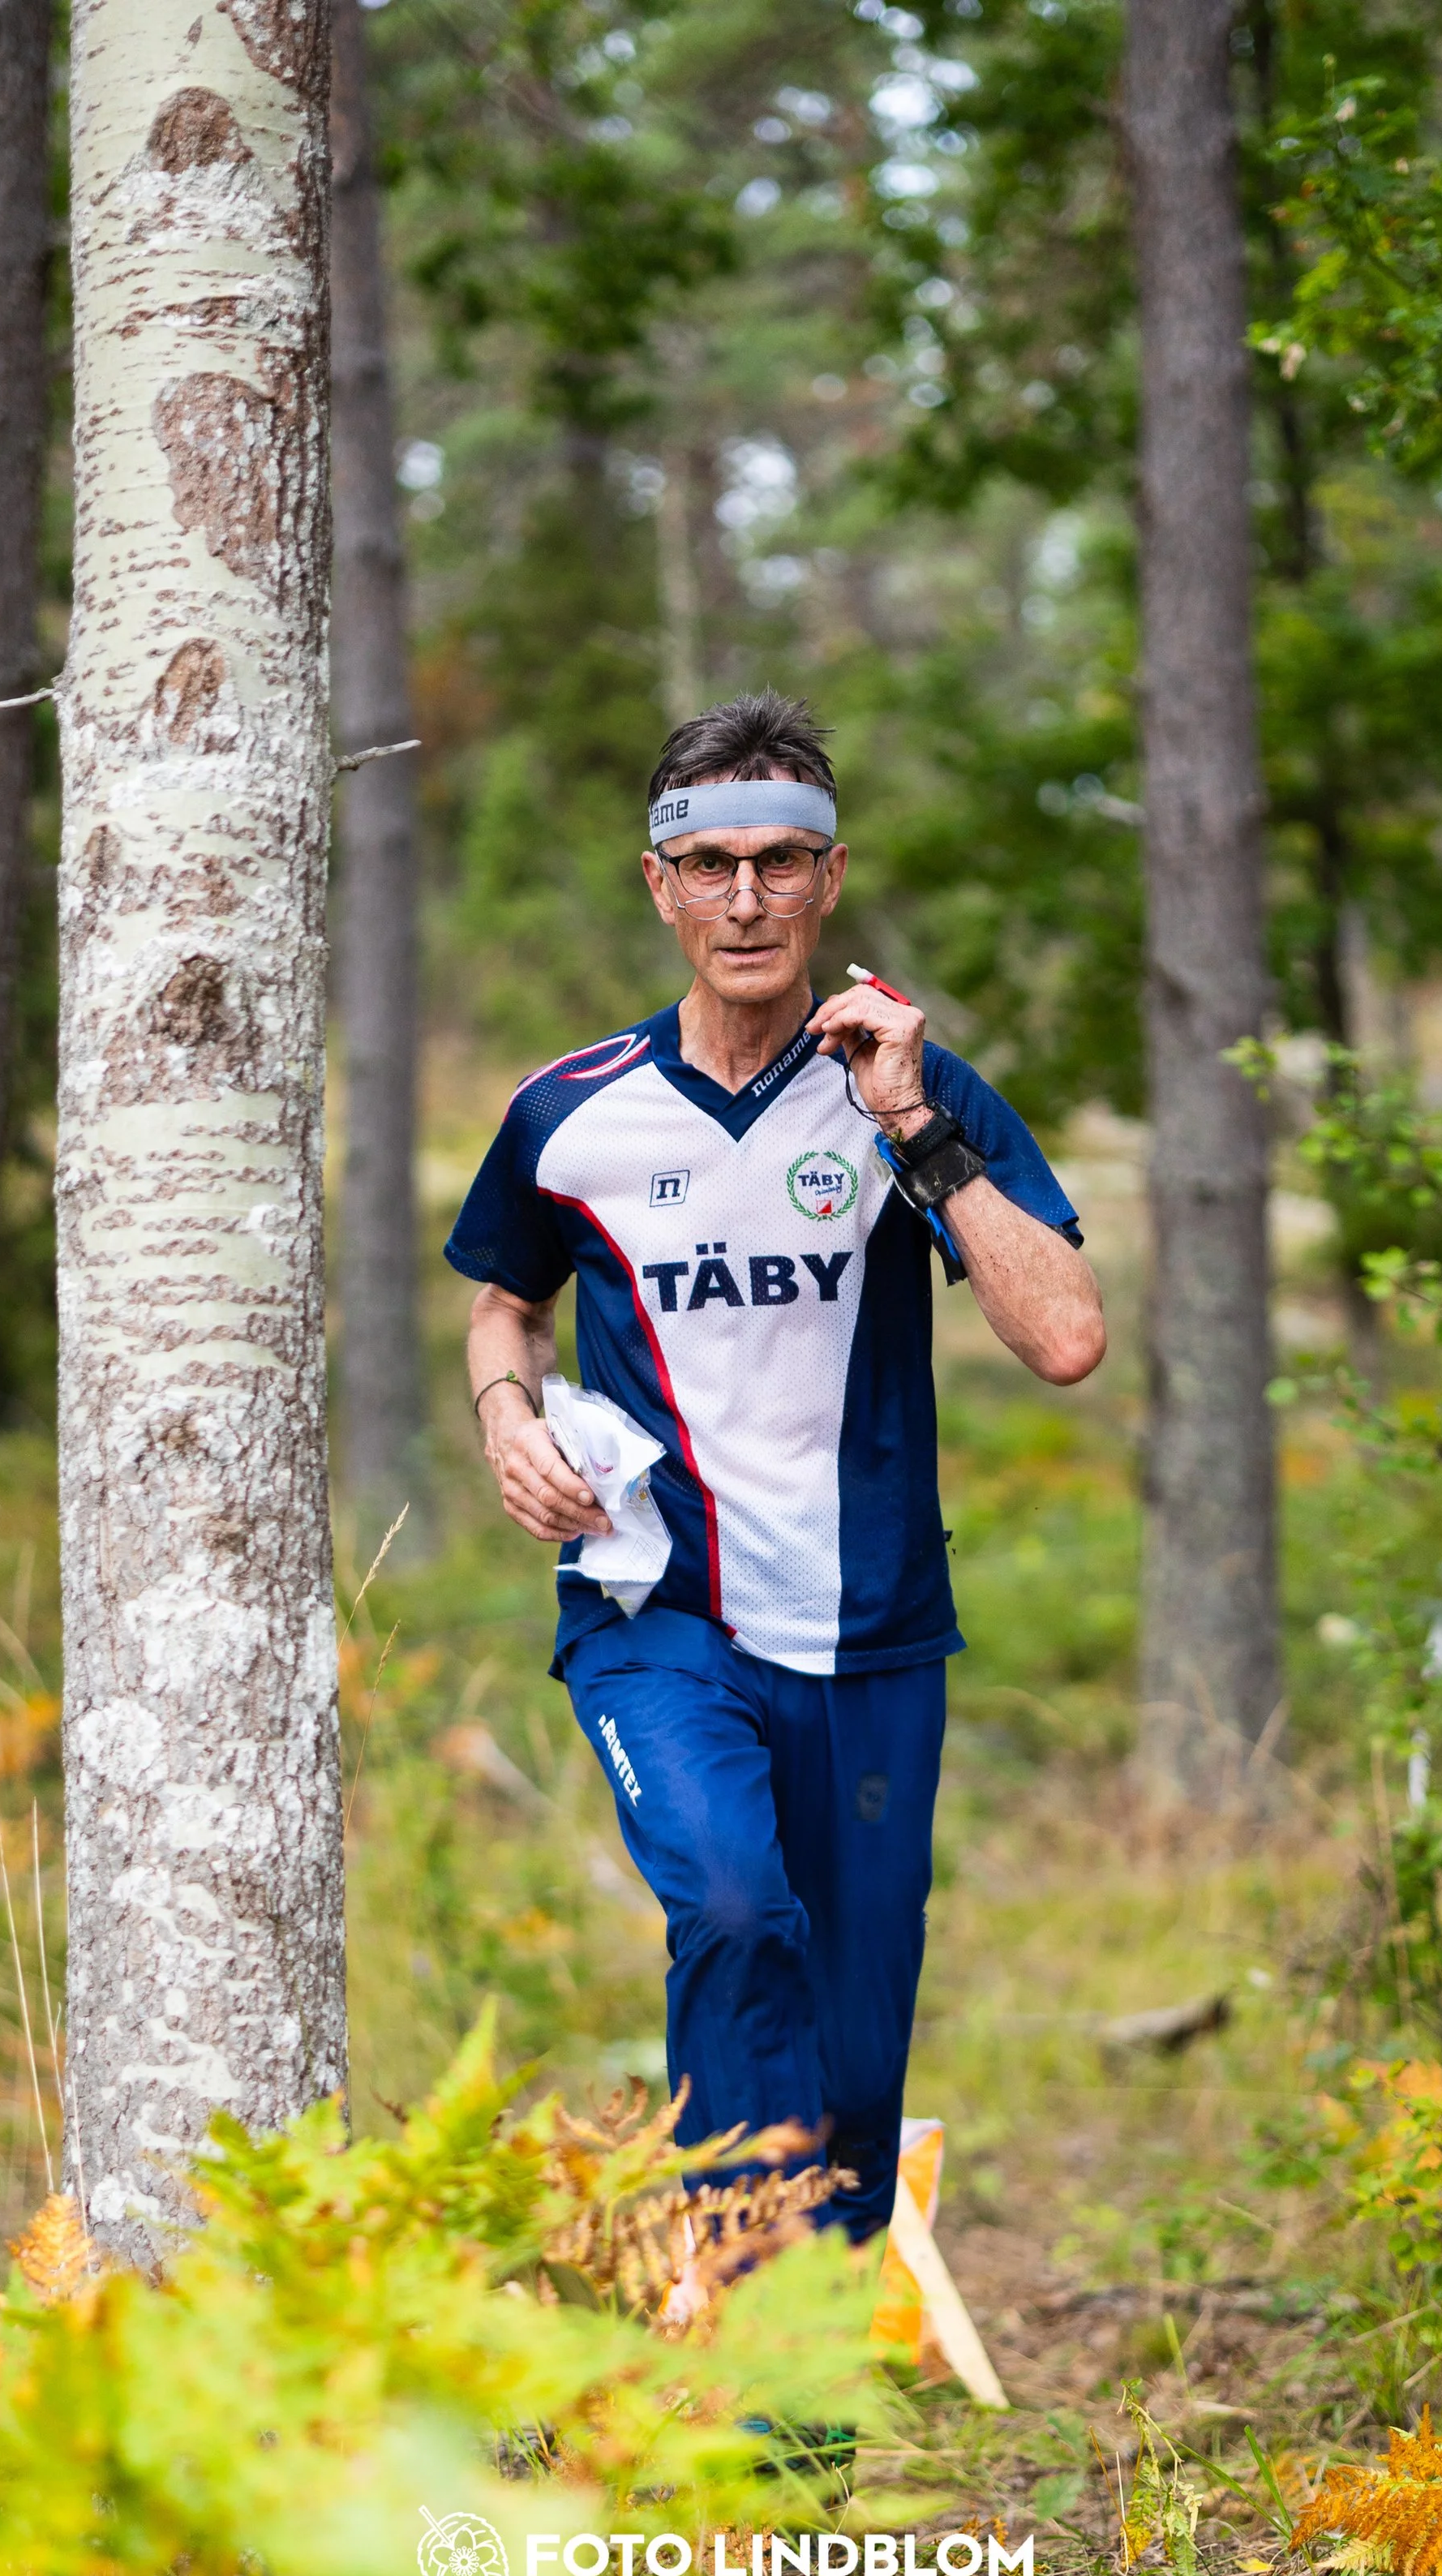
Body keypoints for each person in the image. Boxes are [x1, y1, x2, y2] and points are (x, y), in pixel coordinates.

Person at [445, 690, 1105, 2238]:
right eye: (713, 864)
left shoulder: (913, 1091)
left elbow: (1066, 1336)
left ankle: (795, 2410)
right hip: (655, 1608)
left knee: (858, 2056)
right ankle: (725, 2346)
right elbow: (502, 1300)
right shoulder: (570, 1111)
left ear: (830, 880)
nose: (746, 898)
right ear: (661, 885)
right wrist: (505, 1418)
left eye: (780, 863)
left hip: (871, 1632)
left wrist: (911, 1128)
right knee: (736, 1915)